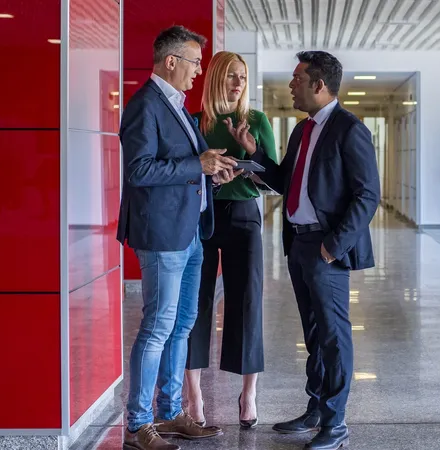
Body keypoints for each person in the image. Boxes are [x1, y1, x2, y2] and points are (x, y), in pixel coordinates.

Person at [228, 50, 380, 450]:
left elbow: (368, 195)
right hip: (299, 242)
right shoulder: (303, 130)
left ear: (319, 84)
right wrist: (254, 154)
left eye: (297, 79)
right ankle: (316, 408)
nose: (291, 86)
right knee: (314, 334)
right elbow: (285, 181)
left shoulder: (350, 129)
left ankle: (336, 423)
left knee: (334, 336)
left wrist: (333, 246)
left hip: (326, 246)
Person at [117, 25, 240, 450]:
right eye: (194, 62)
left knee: (182, 325)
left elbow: (190, 164)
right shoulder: (145, 106)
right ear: (171, 61)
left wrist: (213, 173)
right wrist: (197, 166)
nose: (199, 71)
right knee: (157, 327)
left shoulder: (177, 107)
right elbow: (139, 170)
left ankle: (170, 413)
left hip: (190, 234)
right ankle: (138, 425)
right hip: (162, 235)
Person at [183, 50, 276, 430]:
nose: (238, 83)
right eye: (231, 76)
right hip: (201, 216)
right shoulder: (194, 122)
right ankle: (194, 395)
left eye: (243, 77)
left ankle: (248, 393)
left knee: (247, 300)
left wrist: (249, 153)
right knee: (195, 302)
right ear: (216, 78)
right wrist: (209, 176)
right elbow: (184, 173)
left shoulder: (256, 120)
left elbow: (273, 178)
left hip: (244, 216)